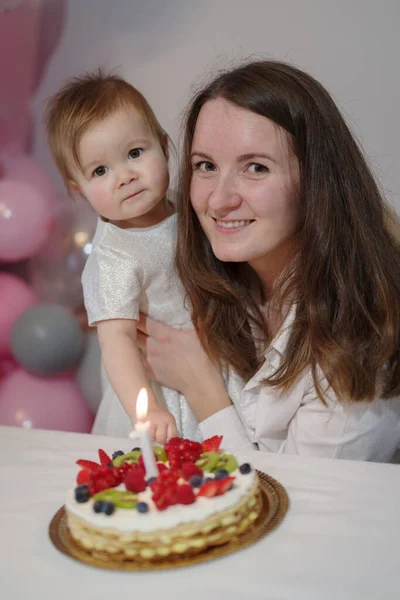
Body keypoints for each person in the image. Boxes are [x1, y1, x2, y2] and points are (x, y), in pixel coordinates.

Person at [136, 60, 400, 461]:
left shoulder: (360, 331)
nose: (219, 200)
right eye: (205, 166)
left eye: (255, 167)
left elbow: (299, 507)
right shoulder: (223, 283)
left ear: (316, 182)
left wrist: (202, 389)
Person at [45, 71, 198, 443]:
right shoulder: (113, 258)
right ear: (78, 189)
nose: (124, 176)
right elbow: (116, 346)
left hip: (208, 359)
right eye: (100, 170)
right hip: (162, 385)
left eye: (134, 153)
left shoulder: (185, 205)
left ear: (163, 146)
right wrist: (147, 409)